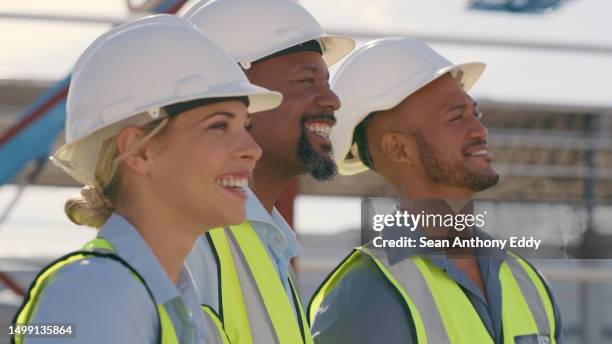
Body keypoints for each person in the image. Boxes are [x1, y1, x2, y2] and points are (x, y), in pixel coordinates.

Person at [11, 14, 282, 344]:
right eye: (219, 126)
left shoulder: (181, 310)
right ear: (138, 151)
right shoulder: (96, 296)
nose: (252, 149)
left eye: (246, 127)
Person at [309, 37, 563, 343]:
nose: (479, 131)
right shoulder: (367, 294)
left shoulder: (526, 281)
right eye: (456, 118)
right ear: (399, 148)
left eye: (475, 114)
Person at [181, 0, 355, 342]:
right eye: (307, 80)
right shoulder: (185, 240)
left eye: (327, 82)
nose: (333, 99)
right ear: (235, 92)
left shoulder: (270, 245)